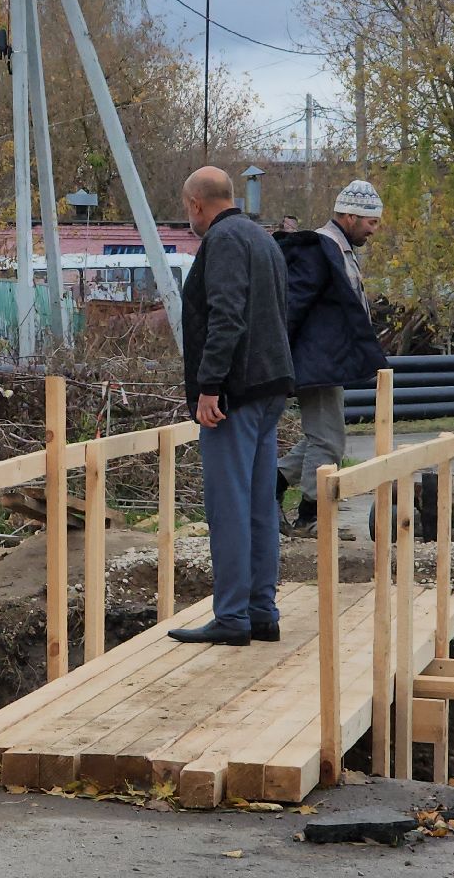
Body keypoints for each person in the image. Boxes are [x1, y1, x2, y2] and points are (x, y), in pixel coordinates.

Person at [169, 168, 294, 646]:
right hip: (270, 386)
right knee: (261, 504)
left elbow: (227, 317)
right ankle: (262, 611)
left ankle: (232, 616)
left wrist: (209, 386)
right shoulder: (263, 240)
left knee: (229, 506)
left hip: (234, 393)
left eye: (187, 208)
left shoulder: (222, 241)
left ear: (196, 204)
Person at [275, 180, 388, 538]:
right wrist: (279, 357)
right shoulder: (320, 248)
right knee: (328, 442)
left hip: (325, 363)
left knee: (323, 437)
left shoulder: (338, 248)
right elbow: (292, 306)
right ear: (350, 216)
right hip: (315, 364)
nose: (374, 229)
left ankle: (271, 484)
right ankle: (312, 517)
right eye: (370, 222)